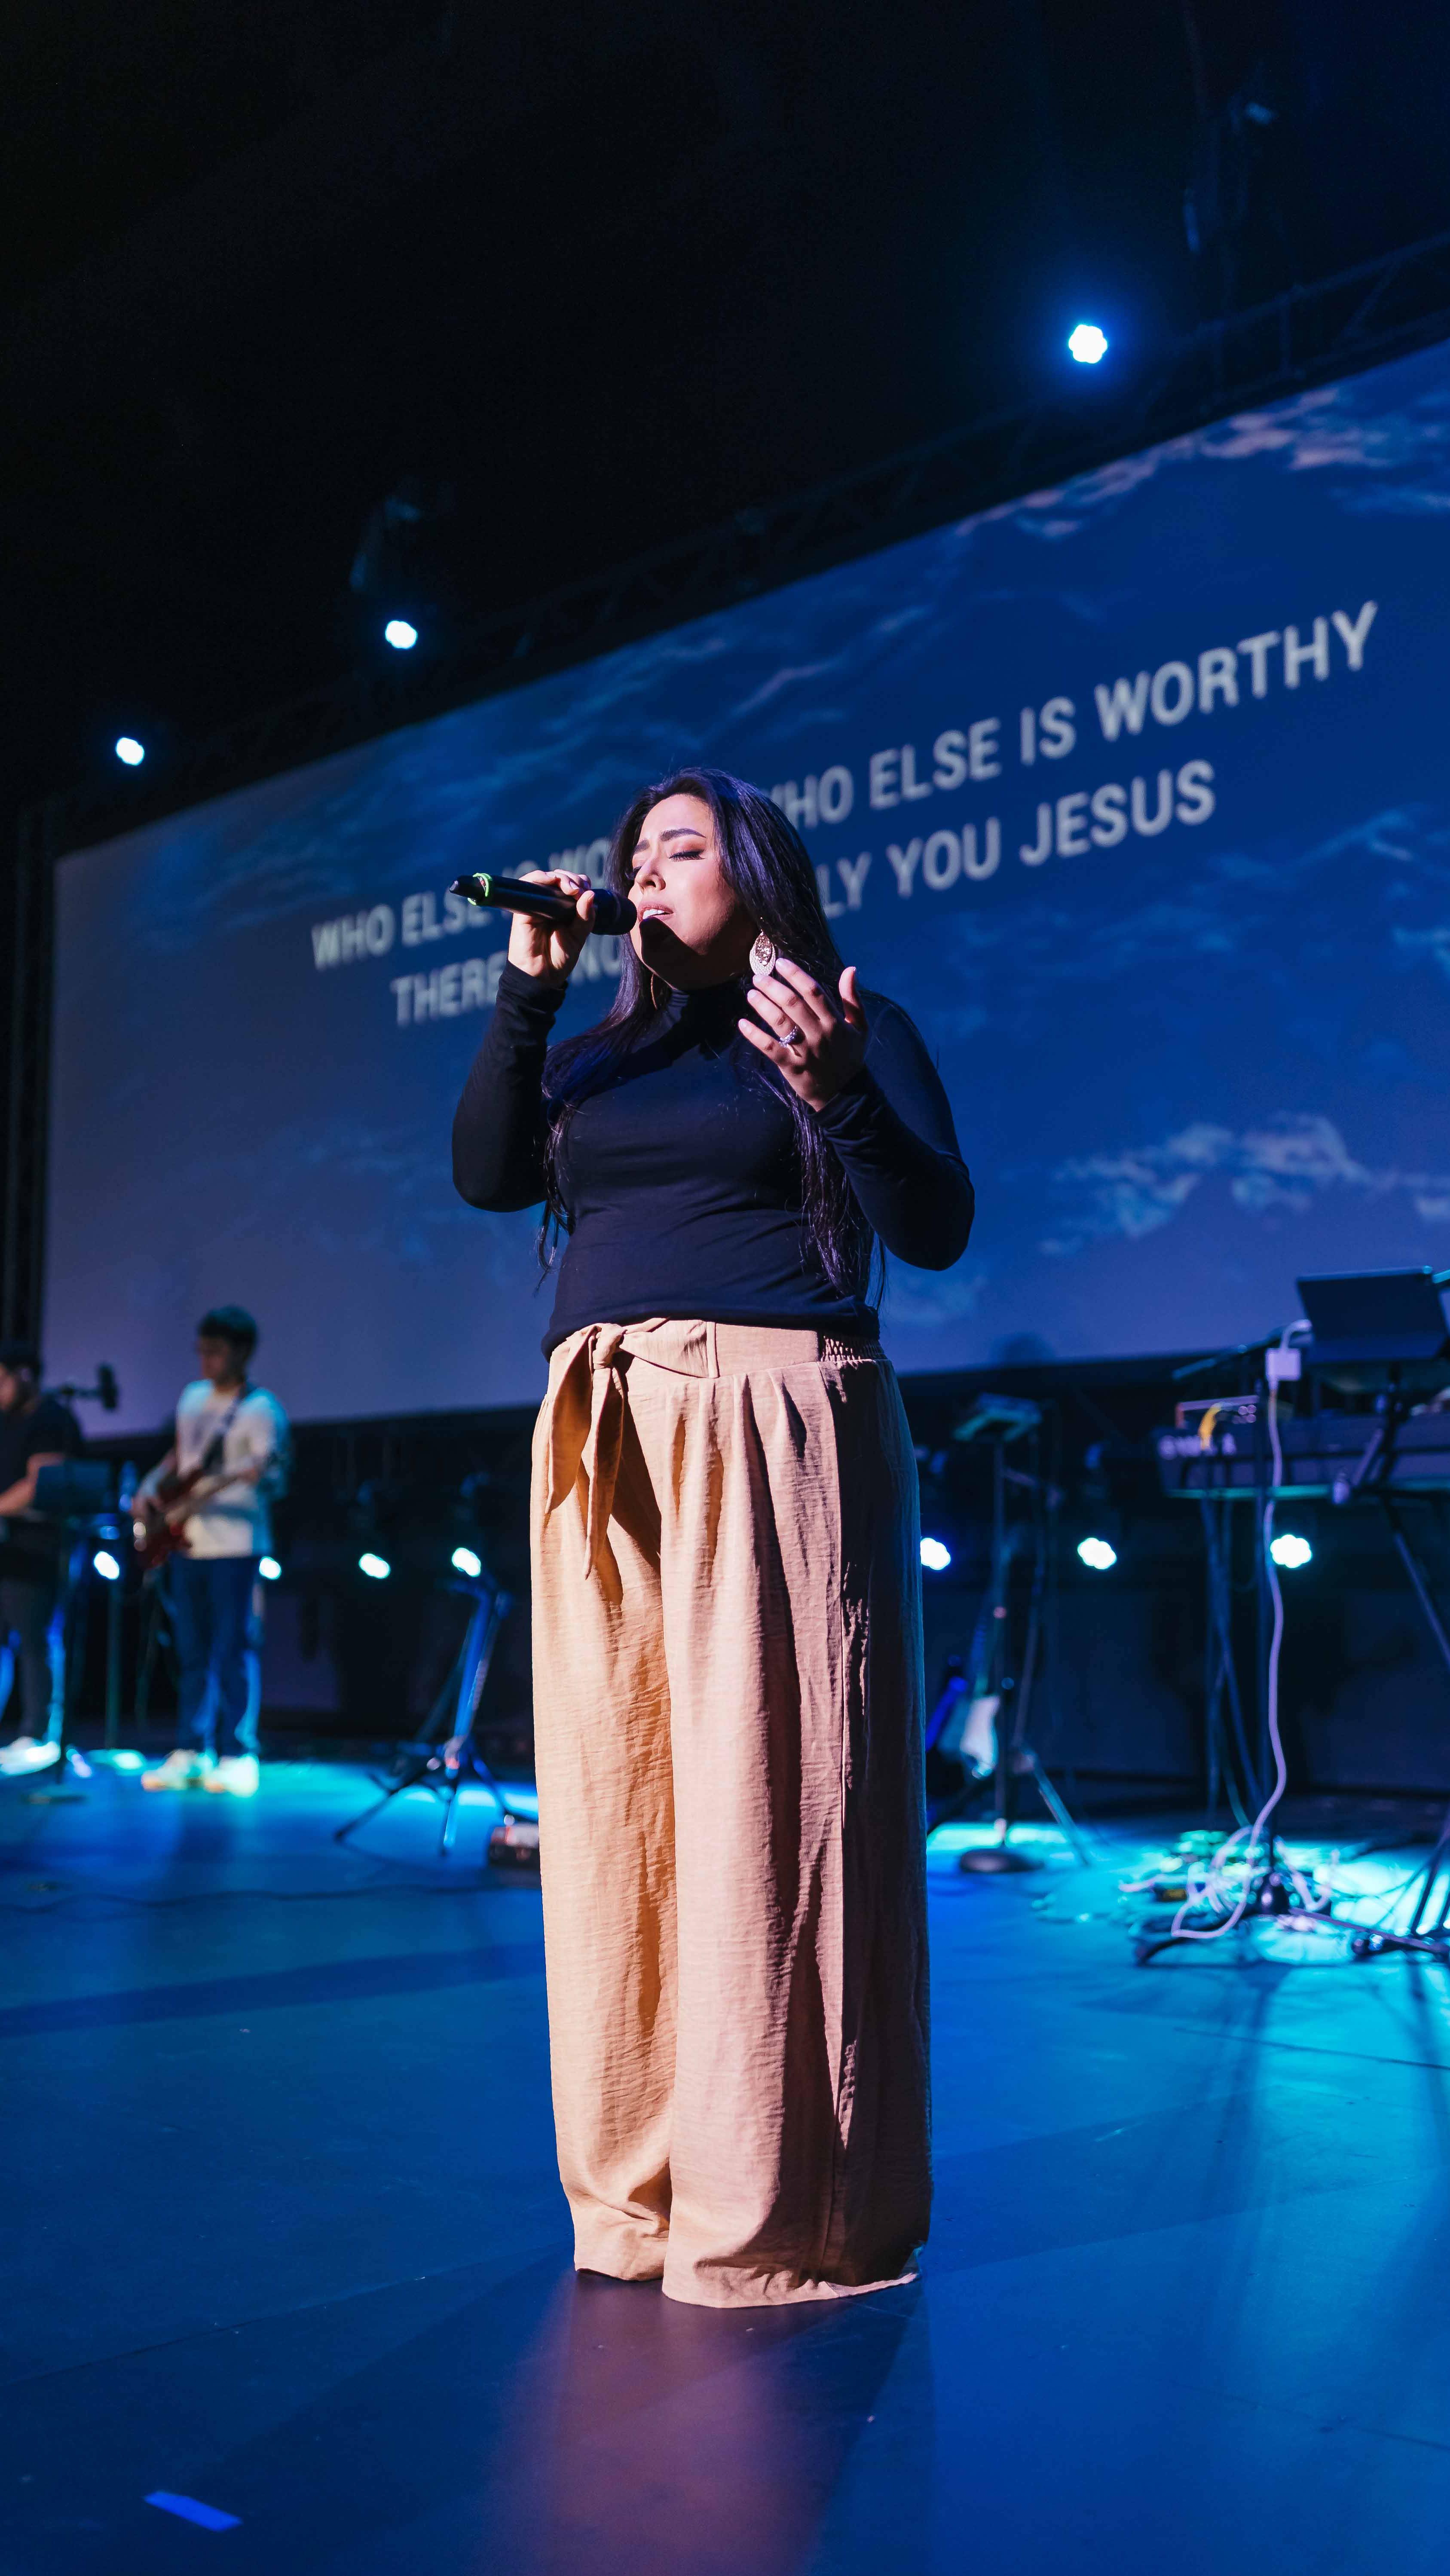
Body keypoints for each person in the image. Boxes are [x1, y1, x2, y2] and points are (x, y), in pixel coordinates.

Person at [453, 766, 973, 2309]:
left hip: (770, 1408)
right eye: (634, 853)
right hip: (604, 1423)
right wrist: (525, 995)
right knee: (623, 1816)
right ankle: (638, 2190)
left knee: (769, 1806)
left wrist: (837, 1094)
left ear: (754, 869)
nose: (647, 869)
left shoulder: (843, 1027)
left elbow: (934, 1221)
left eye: (679, 846)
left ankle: (784, 2200)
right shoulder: (600, 1053)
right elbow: (487, 1173)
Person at [135, 1307, 290, 1797]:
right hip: (187, 1540)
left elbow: (271, 1477)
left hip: (237, 1547)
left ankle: (237, 1751)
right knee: (192, 1650)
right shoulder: (192, 1397)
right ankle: (191, 1747)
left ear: (241, 1353)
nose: (205, 1360)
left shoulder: (263, 1411)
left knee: (233, 1648)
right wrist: (149, 1488)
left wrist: (249, 1477)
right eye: (201, 1350)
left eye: (216, 1351)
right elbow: (184, 1458)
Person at [0, 1342, 82, 1776]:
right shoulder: (6, 1421)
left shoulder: (52, 1420)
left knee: (34, 1640)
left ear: (24, 1375)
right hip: (7, 1546)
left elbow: (41, 1483)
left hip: (37, 1546)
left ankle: (38, 1735)